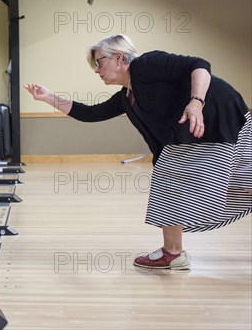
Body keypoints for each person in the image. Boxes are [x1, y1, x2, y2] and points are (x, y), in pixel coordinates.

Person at [25, 34, 251, 270]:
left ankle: (173, 254)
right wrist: (48, 97)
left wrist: (196, 102)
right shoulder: (127, 97)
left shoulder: (146, 64)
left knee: (174, 178)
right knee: (237, 179)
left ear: (119, 57)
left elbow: (200, 65)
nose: (96, 70)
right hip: (204, 129)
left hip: (220, 112)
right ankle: (173, 253)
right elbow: (88, 113)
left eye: (98, 63)